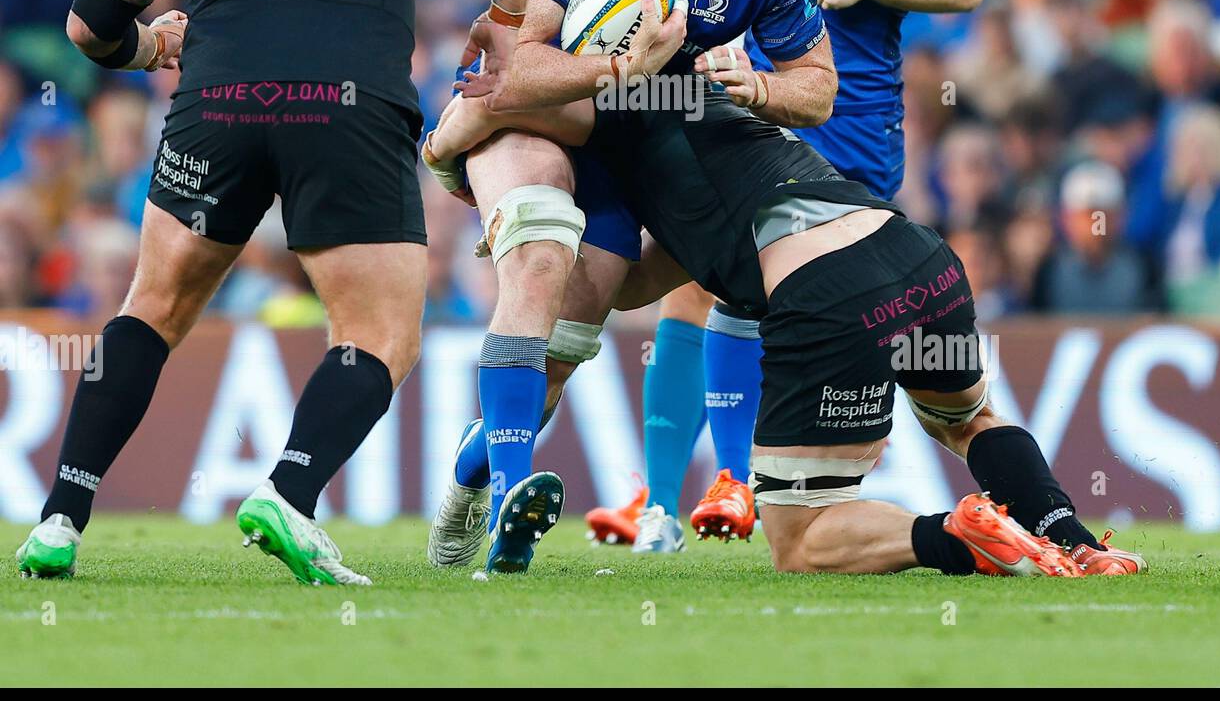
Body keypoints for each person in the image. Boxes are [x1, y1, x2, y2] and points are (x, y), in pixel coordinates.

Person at [15, 0, 541, 586]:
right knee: (377, 333)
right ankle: (289, 494)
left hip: (216, 102)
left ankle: (60, 520)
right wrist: (509, 27)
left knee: (152, 308)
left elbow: (90, 16)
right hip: (344, 101)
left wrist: (147, 52)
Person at [426, 77, 1145, 579]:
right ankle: (1076, 542)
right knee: (967, 418)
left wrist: (445, 153)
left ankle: (958, 537)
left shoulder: (608, 112)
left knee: (800, 538)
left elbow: (501, 102)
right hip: (919, 257)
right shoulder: (716, 106)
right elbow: (649, 275)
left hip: (830, 291)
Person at [426, 0, 836, 573]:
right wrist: (628, 67)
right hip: (540, 117)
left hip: (641, 146)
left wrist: (754, 84)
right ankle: (513, 496)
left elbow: (818, 89)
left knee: (565, 348)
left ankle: (473, 477)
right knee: (541, 249)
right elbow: (515, 66)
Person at [641, 0, 990, 551]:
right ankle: (737, 481)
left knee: (856, 323)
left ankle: (865, 484)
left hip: (857, 125)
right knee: (733, 290)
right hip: (761, 115)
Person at [612, 0, 789, 552]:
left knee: (748, 288)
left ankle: (738, 483)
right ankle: (661, 499)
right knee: (683, 281)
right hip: (678, 76)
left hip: (774, 85)